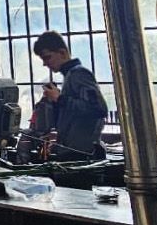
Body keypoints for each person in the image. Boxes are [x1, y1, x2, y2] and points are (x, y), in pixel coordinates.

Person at [33, 32, 108, 160]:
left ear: (62, 53)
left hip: (82, 154)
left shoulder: (78, 73)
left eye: (47, 57)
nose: (45, 64)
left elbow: (98, 108)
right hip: (76, 151)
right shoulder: (72, 76)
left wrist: (60, 98)